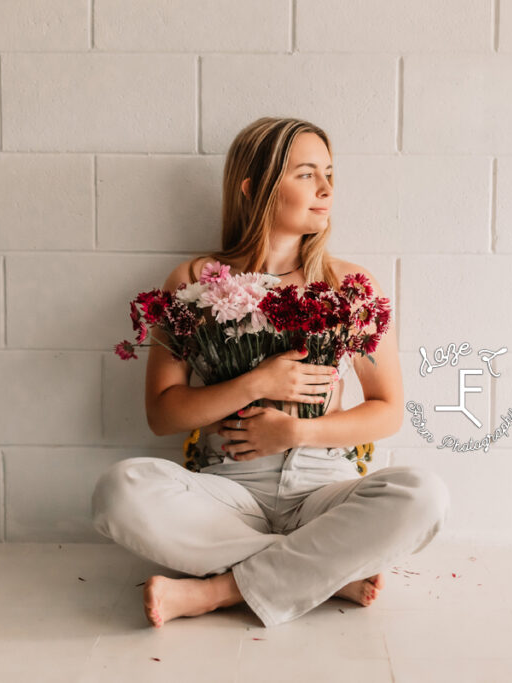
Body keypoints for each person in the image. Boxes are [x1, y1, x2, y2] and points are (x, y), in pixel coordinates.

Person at [91, 116, 451, 629]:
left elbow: (387, 411)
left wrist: (297, 431)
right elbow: (162, 414)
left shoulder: (349, 284)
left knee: (424, 496)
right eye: (306, 174)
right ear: (255, 188)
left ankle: (217, 592)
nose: (326, 189)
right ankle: (321, 570)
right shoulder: (195, 280)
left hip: (324, 487)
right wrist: (257, 383)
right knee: (118, 490)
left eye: (329, 174)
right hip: (229, 490)